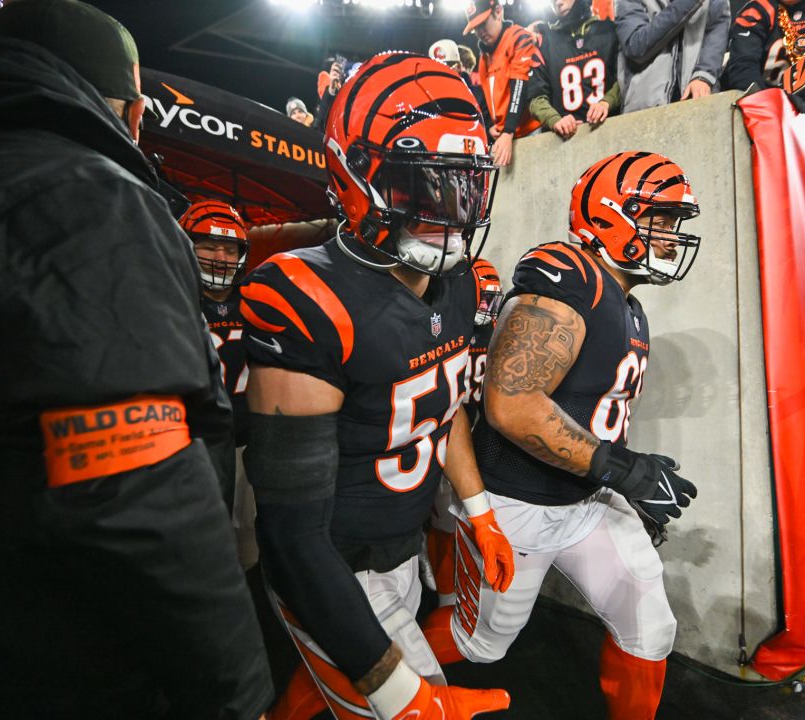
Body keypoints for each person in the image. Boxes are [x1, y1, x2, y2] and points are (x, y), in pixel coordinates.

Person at [0, 1, 273, 717]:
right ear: (131, 111)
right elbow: (133, 490)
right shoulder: (87, 196)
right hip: (58, 646)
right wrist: (237, 692)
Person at [241, 51, 515, 720]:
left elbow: (441, 403)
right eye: (420, 186)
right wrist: (399, 693)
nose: (448, 211)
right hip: (334, 564)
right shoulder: (306, 294)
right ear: (353, 172)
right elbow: (292, 536)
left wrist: (477, 511)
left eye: (461, 186)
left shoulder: (453, 286)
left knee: (326, 687)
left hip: (402, 546)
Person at [422, 151, 702, 720]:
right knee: (481, 643)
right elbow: (511, 404)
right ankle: (364, 675)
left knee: (649, 623)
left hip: (584, 499)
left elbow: (588, 410)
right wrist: (622, 469)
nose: (672, 237)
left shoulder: (629, 302)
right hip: (516, 502)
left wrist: (620, 478)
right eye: (661, 219)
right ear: (610, 217)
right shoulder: (569, 278)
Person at [180, 199, 263, 566]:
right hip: (194, 445)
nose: (220, 257)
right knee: (198, 542)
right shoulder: (174, 300)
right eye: (209, 245)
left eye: (230, 248)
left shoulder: (258, 303)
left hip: (249, 443)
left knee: (249, 543)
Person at [425, 258, 506, 608]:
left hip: (476, 439)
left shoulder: (503, 332)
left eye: (491, 299)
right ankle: (445, 593)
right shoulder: (443, 328)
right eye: (480, 298)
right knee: (442, 518)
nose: (485, 308)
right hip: (444, 436)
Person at [727, 0, 805, 142]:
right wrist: (774, 105)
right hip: (754, 106)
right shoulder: (758, 7)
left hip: (800, 106)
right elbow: (743, 67)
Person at [464, 0, 545, 167]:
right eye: (475, 28)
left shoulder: (519, 37)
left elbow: (519, 85)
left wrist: (508, 130)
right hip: (503, 135)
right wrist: (492, 127)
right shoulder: (483, 58)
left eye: (483, 23)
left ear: (498, 12)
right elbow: (488, 99)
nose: (480, 32)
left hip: (528, 131)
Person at [613, 0, 731, 113]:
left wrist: (703, 76)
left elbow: (717, 30)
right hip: (646, 107)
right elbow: (636, 46)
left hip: (697, 99)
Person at [528, 0, 622, 140]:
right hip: (565, 143)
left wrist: (607, 102)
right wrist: (554, 119)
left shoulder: (609, 31)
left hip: (609, 134)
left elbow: (627, 78)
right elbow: (535, 96)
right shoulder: (545, 41)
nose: (558, 3)